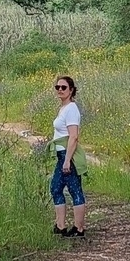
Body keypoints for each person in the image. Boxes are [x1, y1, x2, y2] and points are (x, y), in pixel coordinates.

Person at [49, 75, 86, 238]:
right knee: (56, 188)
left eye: (63, 87)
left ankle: (79, 228)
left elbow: (74, 136)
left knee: (74, 189)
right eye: (57, 87)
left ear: (71, 90)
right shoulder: (63, 108)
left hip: (67, 154)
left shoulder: (71, 109)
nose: (60, 90)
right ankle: (61, 226)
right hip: (61, 153)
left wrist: (67, 160)